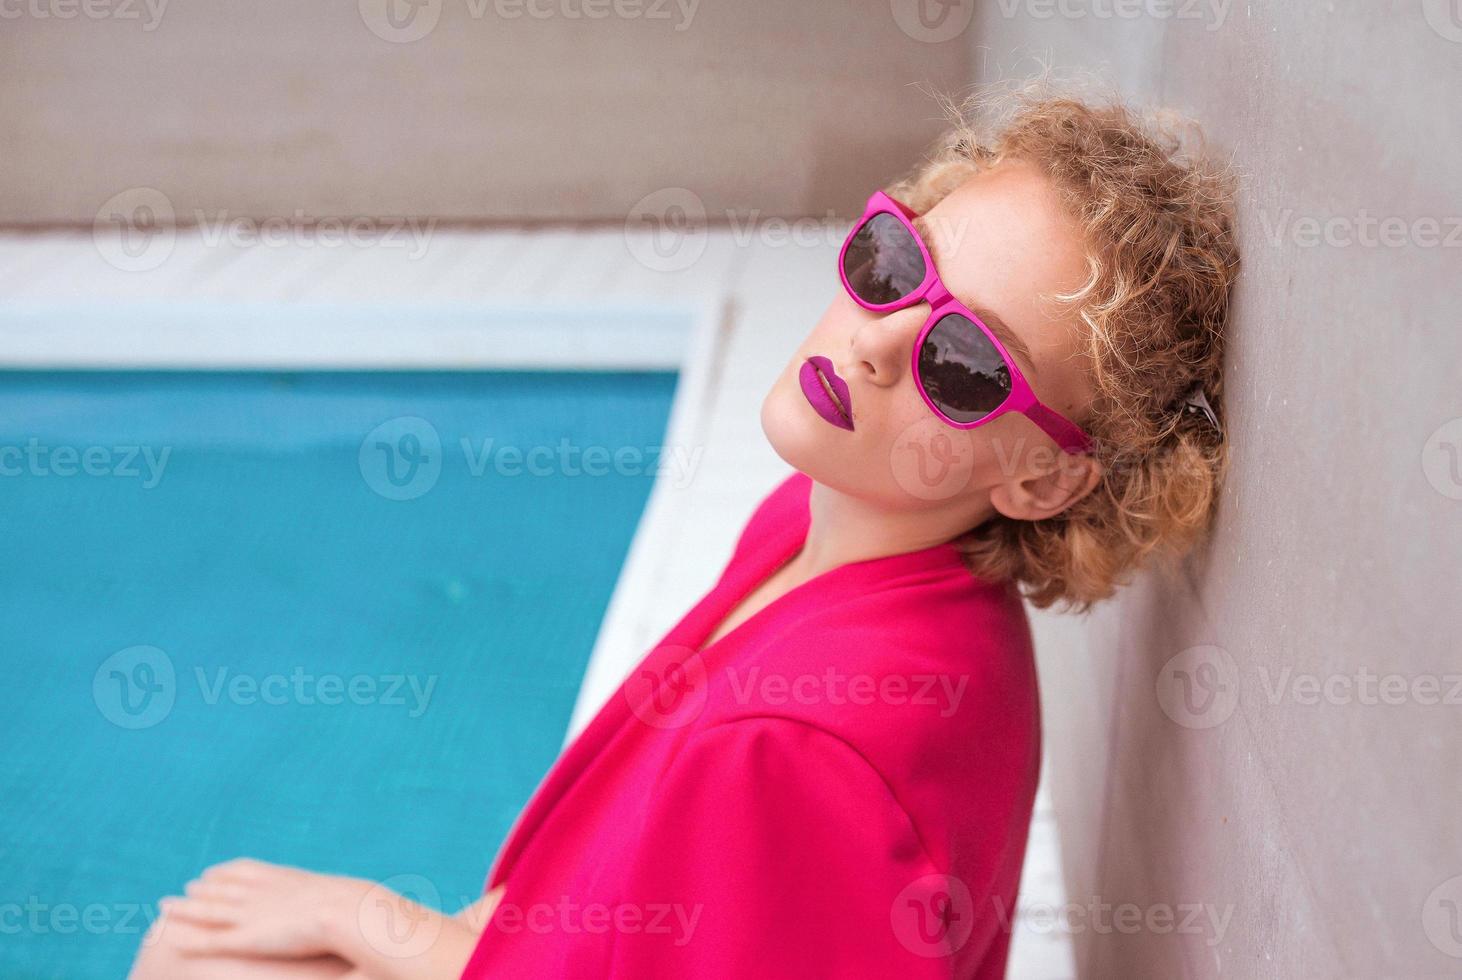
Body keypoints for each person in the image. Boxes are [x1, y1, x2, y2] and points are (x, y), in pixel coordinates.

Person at [128, 83, 1238, 980]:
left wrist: (377, 921)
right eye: (897, 265)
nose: (877, 342)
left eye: (965, 365)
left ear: (1042, 478)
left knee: (191, 959)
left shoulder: (803, 749)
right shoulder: (826, 529)